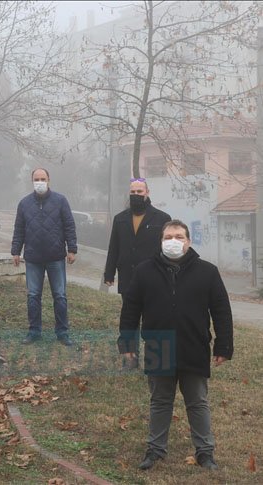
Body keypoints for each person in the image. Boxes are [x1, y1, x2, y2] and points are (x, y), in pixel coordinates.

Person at [118, 220, 233, 471]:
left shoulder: (208, 272)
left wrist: (224, 345)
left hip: (194, 345)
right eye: (168, 236)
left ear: (188, 241)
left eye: (179, 236)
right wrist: (127, 342)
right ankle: (155, 450)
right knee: (160, 400)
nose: (173, 241)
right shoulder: (144, 271)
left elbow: (222, 311)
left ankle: (205, 452)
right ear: (161, 241)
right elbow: (130, 309)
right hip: (159, 345)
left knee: (197, 401)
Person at [104, 178, 171, 368]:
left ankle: (155, 356)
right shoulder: (120, 218)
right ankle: (130, 357)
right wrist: (109, 273)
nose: (136, 195)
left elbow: (166, 250)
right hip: (128, 277)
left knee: (153, 319)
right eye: (133, 192)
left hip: (154, 278)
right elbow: (113, 248)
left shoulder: (162, 218)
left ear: (147, 193)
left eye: (139, 192)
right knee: (130, 318)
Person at [10, 168, 77, 346]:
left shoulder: (60, 201)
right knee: (33, 296)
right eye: (36, 179)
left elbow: (69, 225)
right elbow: (19, 229)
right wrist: (15, 251)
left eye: (43, 178)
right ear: (32, 181)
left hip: (56, 257)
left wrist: (72, 249)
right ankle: (34, 331)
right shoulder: (24, 204)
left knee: (60, 295)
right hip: (33, 258)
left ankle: (62, 333)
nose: (40, 181)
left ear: (49, 180)